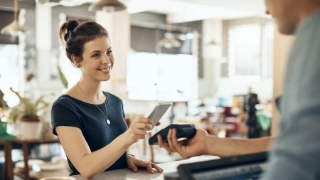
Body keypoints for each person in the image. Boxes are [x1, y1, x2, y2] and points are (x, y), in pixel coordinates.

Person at [158, 0, 320, 179]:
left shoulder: (314, 30)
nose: (266, 9)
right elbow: (294, 144)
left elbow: (298, 160)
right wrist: (208, 143)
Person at [51, 20, 162, 179]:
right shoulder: (64, 107)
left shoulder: (116, 102)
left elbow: (106, 151)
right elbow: (86, 168)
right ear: (77, 60)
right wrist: (128, 136)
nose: (106, 60)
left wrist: (127, 159)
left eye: (108, 51)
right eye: (96, 54)